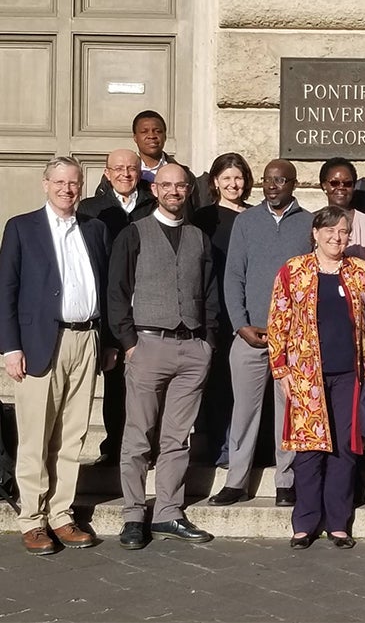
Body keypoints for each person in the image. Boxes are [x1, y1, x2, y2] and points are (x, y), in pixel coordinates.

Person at [0, 156, 113, 555]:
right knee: (35, 435)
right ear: (45, 183)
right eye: (60, 182)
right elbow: (6, 290)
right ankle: (32, 518)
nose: (68, 189)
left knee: (72, 434)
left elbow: (104, 286)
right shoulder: (21, 228)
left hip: (87, 340)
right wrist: (10, 347)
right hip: (38, 343)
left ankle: (62, 514)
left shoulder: (94, 229)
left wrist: (108, 343)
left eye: (74, 183)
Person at [110, 163, 218, 550]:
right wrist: (129, 343)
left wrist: (207, 342)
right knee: (138, 436)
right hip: (148, 344)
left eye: (180, 186)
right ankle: (134, 514)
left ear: (189, 190)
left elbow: (209, 293)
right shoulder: (133, 234)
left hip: (192, 349)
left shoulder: (199, 238)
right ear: (154, 191)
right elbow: (118, 292)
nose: (173, 191)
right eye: (166, 185)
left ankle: (168, 511)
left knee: (177, 438)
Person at [268, 206, 365, 550]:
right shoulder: (294, 270)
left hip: (350, 374)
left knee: (345, 448)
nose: (336, 236)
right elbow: (278, 320)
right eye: (329, 230)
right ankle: (304, 522)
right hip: (306, 375)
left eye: (343, 231)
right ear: (315, 233)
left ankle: (338, 522)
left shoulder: (362, 272)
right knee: (309, 449)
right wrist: (281, 367)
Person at [209, 159, 313, 508]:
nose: (272, 186)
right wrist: (240, 324)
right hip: (250, 333)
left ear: (293, 184)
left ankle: (286, 482)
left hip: (292, 338)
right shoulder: (245, 221)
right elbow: (233, 276)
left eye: (280, 180)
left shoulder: (309, 224)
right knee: (244, 411)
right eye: (268, 180)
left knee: (288, 414)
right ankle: (236, 480)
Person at [77, 149, 156, 466]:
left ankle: (149, 447)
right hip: (111, 308)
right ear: (107, 174)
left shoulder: (153, 206)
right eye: (118, 168)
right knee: (116, 383)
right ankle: (114, 447)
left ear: (140, 173)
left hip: (150, 306)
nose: (125, 174)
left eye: (132, 168)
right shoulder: (90, 210)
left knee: (150, 386)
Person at [191, 152, 254, 466]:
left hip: (248, 311)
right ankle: (219, 445)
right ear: (215, 181)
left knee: (247, 383)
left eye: (238, 178)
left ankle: (248, 446)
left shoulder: (256, 216)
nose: (233, 184)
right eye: (227, 178)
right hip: (216, 308)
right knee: (218, 380)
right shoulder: (204, 218)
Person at [94, 110, 208, 212]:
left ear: (165, 136)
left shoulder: (183, 174)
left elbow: (196, 210)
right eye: (144, 132)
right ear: (135, 137)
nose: (151, 136)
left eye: (157, 131)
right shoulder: (119, 175)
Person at [319, 157, 365, 282]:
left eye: (347, 184)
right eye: (334, 183)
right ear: (324, 185)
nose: (341, 188)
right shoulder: (313, 221)